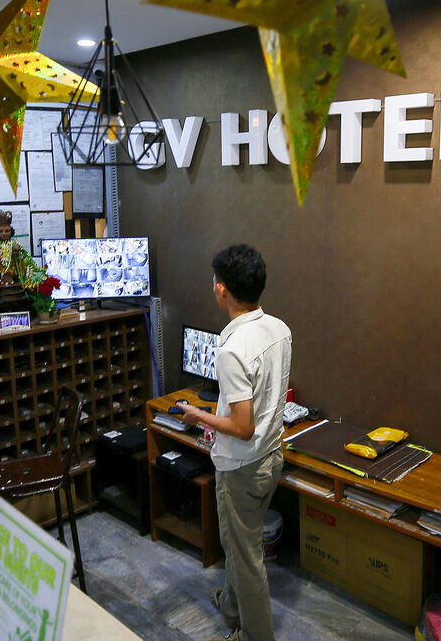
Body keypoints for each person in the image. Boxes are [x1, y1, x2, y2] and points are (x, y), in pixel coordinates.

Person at [177, 244, 292, 641]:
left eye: (215, 282)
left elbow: (242, 426)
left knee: (245, 558)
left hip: (241, 467)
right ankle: (230, 605)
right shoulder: (279, 329)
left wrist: (197, 415)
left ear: (223, 290)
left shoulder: (231, 350)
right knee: (240, 543)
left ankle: (254, 635)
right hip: (271, 457)